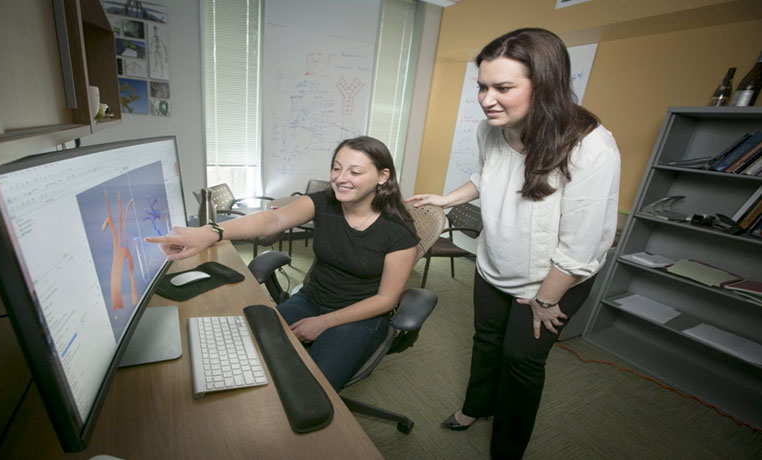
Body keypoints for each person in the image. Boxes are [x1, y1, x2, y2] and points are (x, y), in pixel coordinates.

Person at [406, 28, 620, 459]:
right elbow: (488, 177)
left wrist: (544, 301)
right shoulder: (492, 131)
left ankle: (507, 448)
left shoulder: (591, 147)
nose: (487, 99)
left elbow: (581, 245)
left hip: (552, 282)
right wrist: (447, 198)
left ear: (545, 86)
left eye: (503, 88)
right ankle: (475, 407)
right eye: (482, 87)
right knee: (486, 340)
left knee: (521, 363)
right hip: (494, 264)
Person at [147, 136, 419, 391]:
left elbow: (385, 299)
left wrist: (323, 322)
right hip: (312, 298)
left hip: (360, 315)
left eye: (355, 172)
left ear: (383, 176)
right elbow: (273, 219)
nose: (341, 179)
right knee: (244, 348)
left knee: (310, 387)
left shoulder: (398, 230)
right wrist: (210, 233)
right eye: (337, 168)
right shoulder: (324, 203)